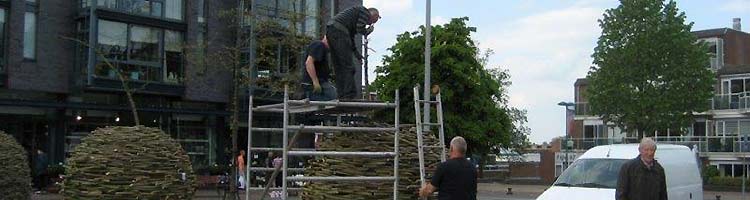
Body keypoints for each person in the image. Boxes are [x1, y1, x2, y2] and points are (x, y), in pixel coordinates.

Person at [326, 6, 380, 99]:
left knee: (339, 67)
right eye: (372, 21)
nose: (369, 23)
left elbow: (350, 40)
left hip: (331, 31)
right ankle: (349, 95)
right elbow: (360, 28)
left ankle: (341, 95)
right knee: (349, 67)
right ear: (373, 15)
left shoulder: (351, 20)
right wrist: (367, 31)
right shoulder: (364, 12)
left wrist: (357, 55)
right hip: (339, 32)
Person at [301, 36, 337, 101]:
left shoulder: (323, 49)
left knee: (333, 99)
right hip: (314, 84)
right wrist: (315, 82)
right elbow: (309, 62)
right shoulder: (319, 45)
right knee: (335, 98)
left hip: (319, 83)